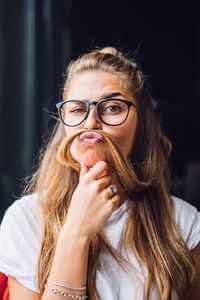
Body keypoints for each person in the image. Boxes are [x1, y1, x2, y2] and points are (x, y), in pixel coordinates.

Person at [0, 46, 200, 300]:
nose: (91, 122)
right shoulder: (26, 219)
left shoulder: (185, 223)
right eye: (78, 109)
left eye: (112, 108)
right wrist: (77, 230)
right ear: (64, 122)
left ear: (142, 123)